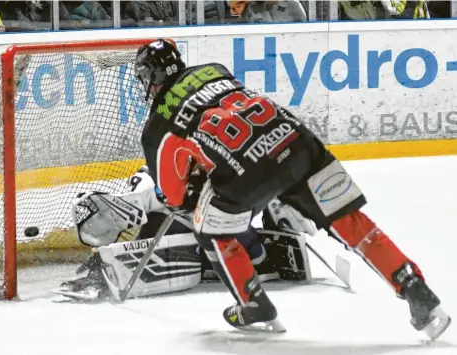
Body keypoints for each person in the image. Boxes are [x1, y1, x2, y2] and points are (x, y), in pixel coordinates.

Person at [133, 39, 451, 337]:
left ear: (150, 77)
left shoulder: (156, 128)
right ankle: (414, 287)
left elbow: (173, 195)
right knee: (347, 219)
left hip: (247, 174)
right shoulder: (214, 69)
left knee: (209, 229)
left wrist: (193, 182)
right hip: (295, 142)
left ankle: (254, 306)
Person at [56, 166, 313, 301]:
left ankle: (247, 256)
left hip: (211, 218)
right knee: (168, 213)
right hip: (190, 211)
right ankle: (105, 271)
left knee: (224, 229)